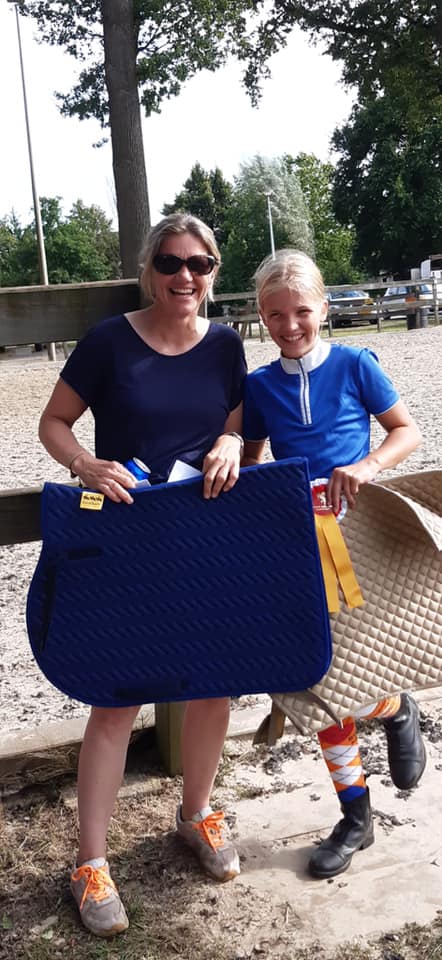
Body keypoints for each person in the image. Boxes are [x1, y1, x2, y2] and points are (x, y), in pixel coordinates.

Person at [38, 213, 246, 937]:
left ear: (213, 272)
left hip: (205, 538)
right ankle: (90, 863)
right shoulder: (107, 341)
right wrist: (85, 464)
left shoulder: (226, 344)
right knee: (116, 698)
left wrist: (231, 441)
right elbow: (54, 423)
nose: (185, 276)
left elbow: (239, 426)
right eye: (170, 262)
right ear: (148, 268)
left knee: (215, 685)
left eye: (200, 263)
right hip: (126, 538)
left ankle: (197, 812)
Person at [242, 248, 426, 880]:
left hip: (359, 540)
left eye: (301, 311)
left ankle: (395, 709)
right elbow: (252, 457)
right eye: (274, 315)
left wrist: (367, 466)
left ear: (323, 307)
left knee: (352, 668)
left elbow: (406, 431)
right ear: (261, 316)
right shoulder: (259, 387)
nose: (289, 325)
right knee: (314, 682)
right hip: (298, 547)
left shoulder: (355, 365)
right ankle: (356, 812)